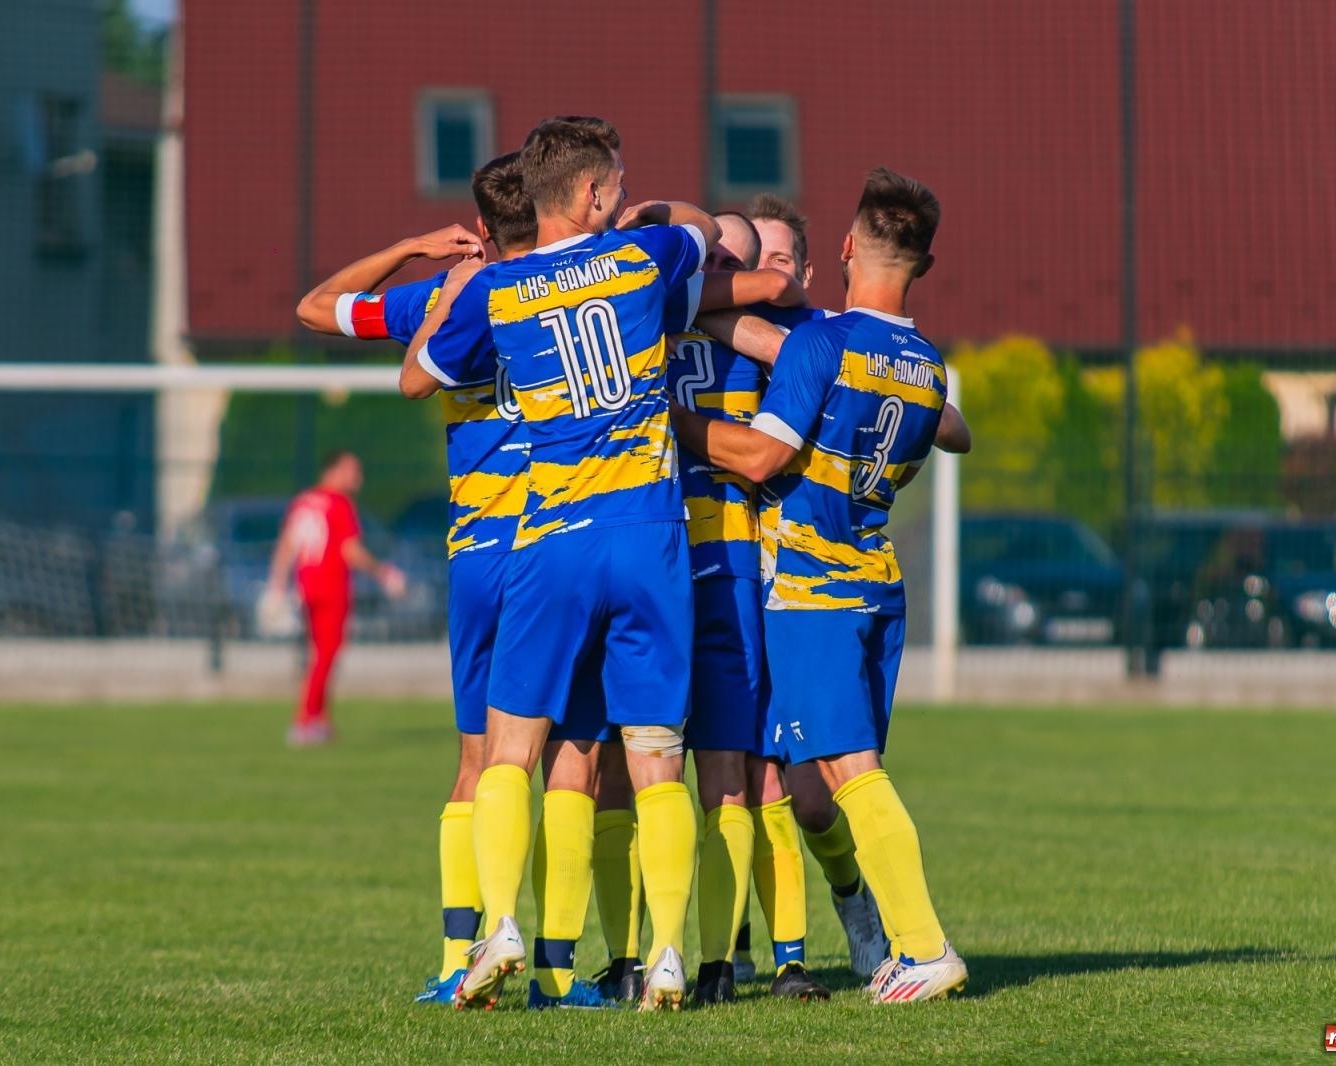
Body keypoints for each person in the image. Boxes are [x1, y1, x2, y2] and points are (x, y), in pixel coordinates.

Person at [409, 117, 719, 1012]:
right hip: (652, 534)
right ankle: (664, 956)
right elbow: (710, 231)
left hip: (552, 538)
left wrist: (458, 284)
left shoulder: (495, 289)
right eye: (617, 184)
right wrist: (652, 213)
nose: (625, 196)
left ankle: (498, 927)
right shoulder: (647, 255)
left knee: (511, 747)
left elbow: (425, 367)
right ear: (592, 196)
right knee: (656, 758)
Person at [673, 167, 970, 1003]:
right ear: (924, 266)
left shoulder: (823, 344)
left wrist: (669, 418)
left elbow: (763, 457)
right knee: (814, 791)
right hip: (877, 587)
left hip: (814, 589)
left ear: (842, 249)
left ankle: (922, 947)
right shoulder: (927, 366)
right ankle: (874, 923)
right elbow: (958, 433)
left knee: (849, 771)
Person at [670, 209, 829, 1006]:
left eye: (776, 255)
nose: (761, 267)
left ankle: (773, 957)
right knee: (703, 776)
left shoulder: (801, 333)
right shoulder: (676, 309)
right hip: (702, 561)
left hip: (751, 564)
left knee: (759, 778)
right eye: (744, 253)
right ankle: (709, 956)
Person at [264, 451, 405, 747]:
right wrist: (383, 573)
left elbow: (287, 544)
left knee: (318, 655)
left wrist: (277, 587)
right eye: (352, 470)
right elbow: (350, 551)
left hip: (305, 585)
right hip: (331, 586)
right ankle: (304, 721)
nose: (358, 478)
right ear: (335, 470)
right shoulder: (339, 503)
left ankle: (320, 720)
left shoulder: (304, 500)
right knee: (326, 655)